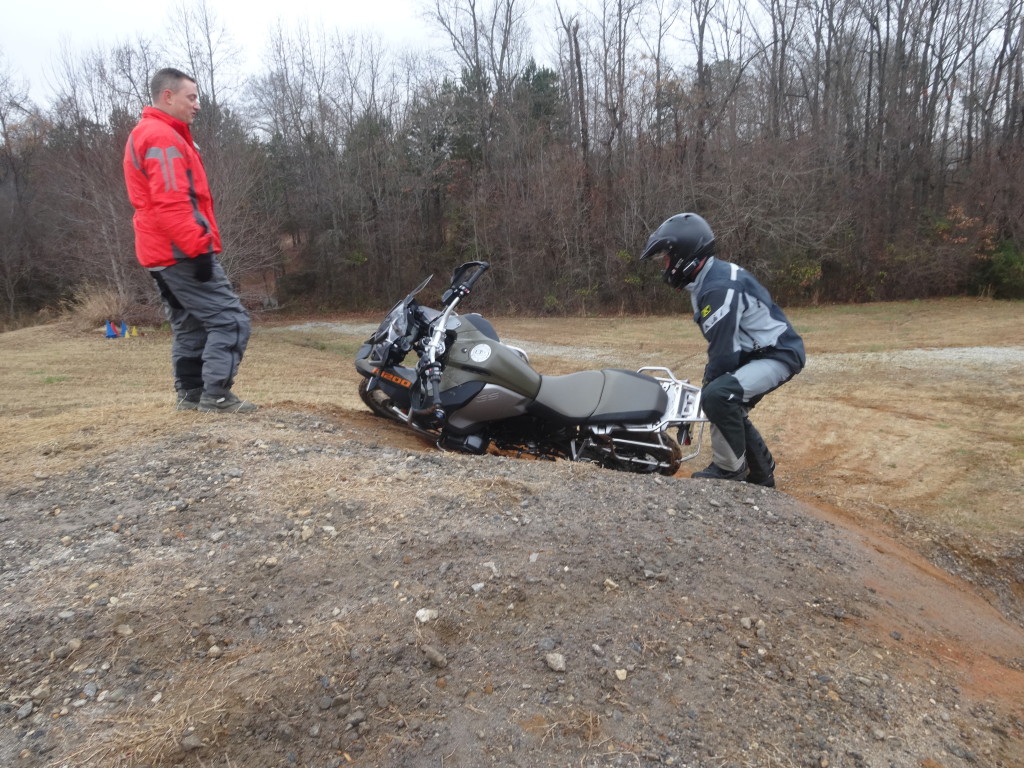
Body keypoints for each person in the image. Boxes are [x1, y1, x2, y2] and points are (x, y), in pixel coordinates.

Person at [123, 67, 257, 413]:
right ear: (168, 96)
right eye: (191, 97)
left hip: (159, 252)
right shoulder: (161, 137)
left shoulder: (151, 133)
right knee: (230, 320)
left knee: (191, 325)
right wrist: (199, 248)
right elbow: (171, 201)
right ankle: (216, 396)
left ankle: (190, 395)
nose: (197, 105)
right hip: (180, 251)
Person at [640, 213, 805, 486]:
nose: (665, 265)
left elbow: (724, 353)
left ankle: (730, 470)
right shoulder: (707, 278)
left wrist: (710, 387)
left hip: (777, 354)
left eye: (667, 257)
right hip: (757, 351)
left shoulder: (717, 287)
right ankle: (762, 474)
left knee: (719, 395)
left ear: (684, 256)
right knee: (727, 400)